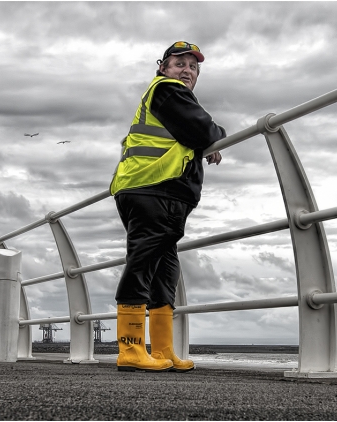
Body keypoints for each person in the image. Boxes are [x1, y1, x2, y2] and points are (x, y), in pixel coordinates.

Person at [110, 41, 226, 372]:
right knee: (144, 262)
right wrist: (213, 137)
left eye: (193, 67)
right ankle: (131, 350)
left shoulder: (167, 95)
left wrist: (205, 140)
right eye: (180, 63)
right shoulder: (167, 90)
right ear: (163, 67)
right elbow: (202, 128)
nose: (187, 70)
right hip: (154, 190)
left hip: (152, 190)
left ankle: (161, 350)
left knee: (164, 269)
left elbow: (190, 132)